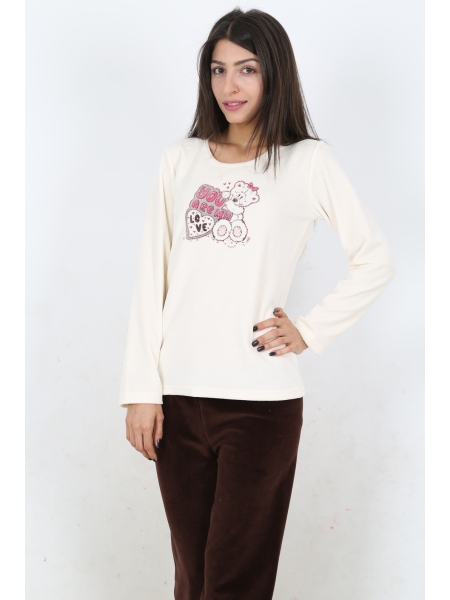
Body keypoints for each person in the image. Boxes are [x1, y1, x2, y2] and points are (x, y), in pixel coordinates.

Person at [119, 7, 395, 600]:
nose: (231, 85)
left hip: (260, 407)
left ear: (274, 73)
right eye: (218, 70)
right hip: (177, 402)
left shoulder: (306, 162)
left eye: (247, 69)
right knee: (193, 581)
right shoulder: (180, 160)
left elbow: (374, 258)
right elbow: (151, 278)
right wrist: (141, 389)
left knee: (234, 584)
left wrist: (310, 330)